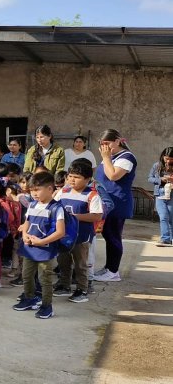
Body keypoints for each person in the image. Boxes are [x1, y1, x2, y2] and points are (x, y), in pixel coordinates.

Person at [14, 171, 66, 319]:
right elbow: (27, 223)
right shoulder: (32, 204)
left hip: (46, 250)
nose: (34, 193)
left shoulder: (56, 208)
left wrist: (42, 242)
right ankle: (29, 298)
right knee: (27, 275)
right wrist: (24, 236)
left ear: (50, 189)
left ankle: (46, 306)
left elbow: (60, 232)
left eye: (37, 190)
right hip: (29, 248)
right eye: (32, 190)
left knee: (45, 279)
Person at [54, 161, 104, 302]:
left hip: (81, 237)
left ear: (87, 179)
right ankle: (64, 285)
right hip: (63, 236)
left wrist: (73, 217)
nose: (72, 180)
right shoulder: (63, 192)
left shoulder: (92, 195)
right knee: (62, 261)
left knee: (81, 264)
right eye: (70, 176)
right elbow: (52, 207)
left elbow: (97, 216)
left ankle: (82, 289)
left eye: (77, 177)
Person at [94, 129, 137, 282]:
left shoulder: (127, 157)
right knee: (107, 234)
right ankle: (108, 267)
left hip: (117, 203)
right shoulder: (110, 157)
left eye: (107, 143)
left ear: (118, 141)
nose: (105, 148)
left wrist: (106, 158)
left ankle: (113, 271)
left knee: (113, 236)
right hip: (106, 202)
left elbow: (113, 175)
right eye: (102, 145)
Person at [148, 147, 173, 247]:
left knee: (171, 218)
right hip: (160, 194)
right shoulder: (157, 166)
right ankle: (165, 239)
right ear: (163, 157)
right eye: (166, 158)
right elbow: (149, 178)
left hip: (171, 194)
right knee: (163, 217)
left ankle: (171, 238)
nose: (168, 161)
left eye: (171, 159)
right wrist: (160, 179)